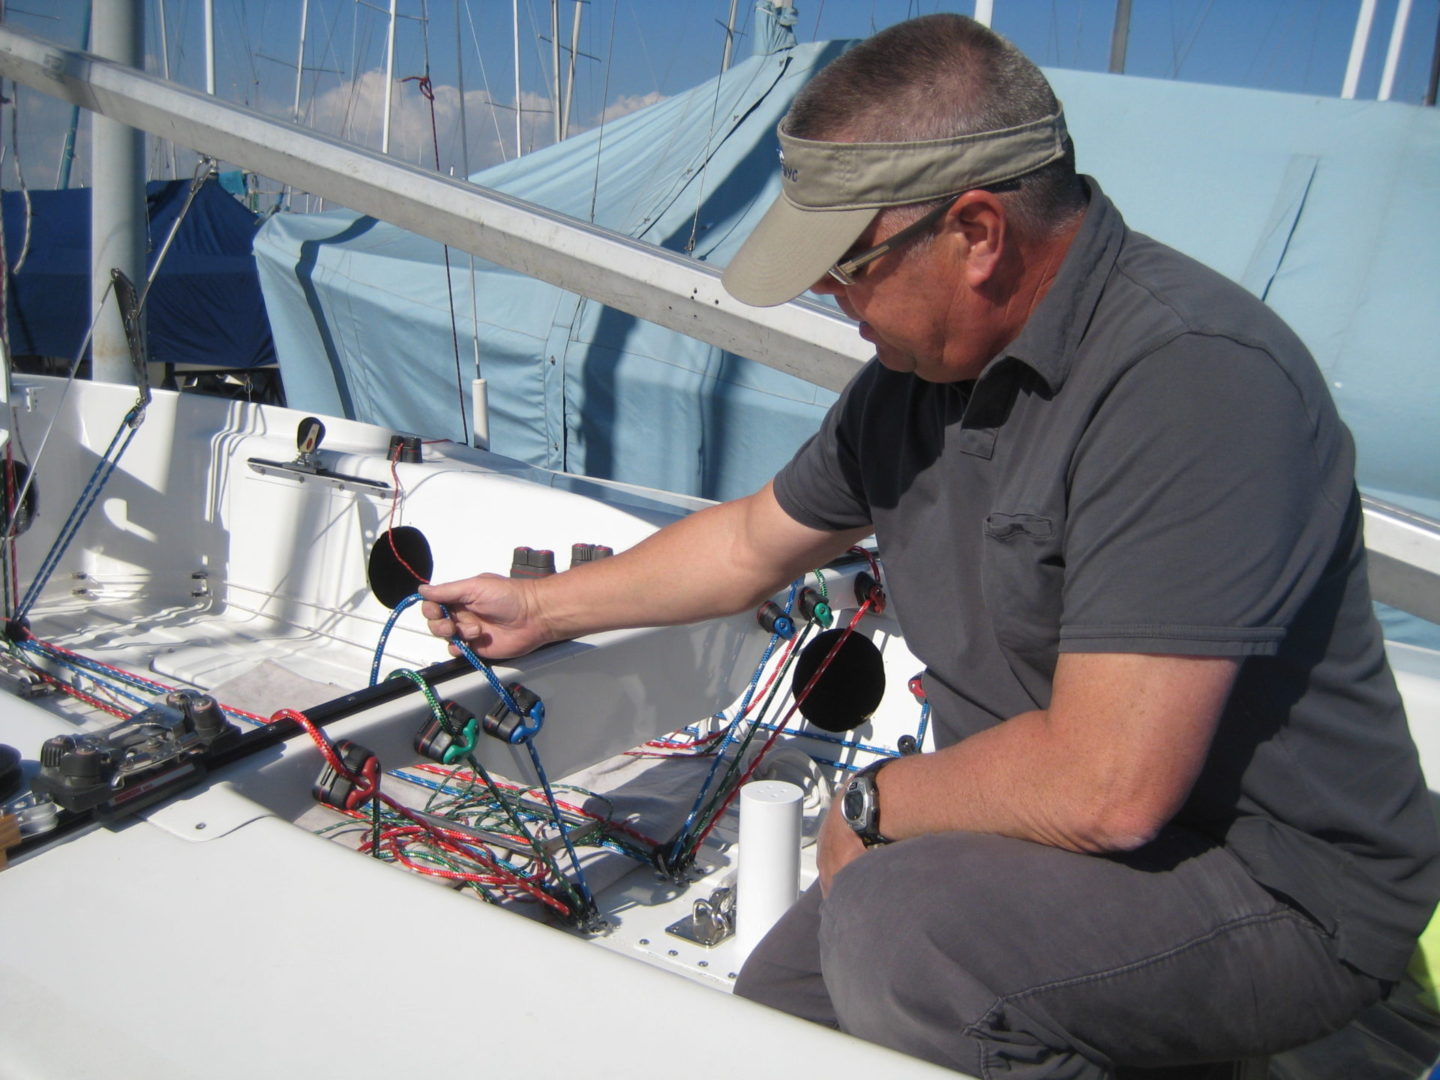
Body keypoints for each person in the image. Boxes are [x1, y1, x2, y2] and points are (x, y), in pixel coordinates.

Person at [421, 14, 1440, 1078]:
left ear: (978, 232)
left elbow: (1108, 783)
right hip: (1052, 845)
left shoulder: (1191, 377)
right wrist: (543, 609)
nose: (827, 293)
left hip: (1281, 892)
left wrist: (875, 803)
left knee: (904, 940)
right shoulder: (910, 389)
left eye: (848, 263)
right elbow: (750, 544)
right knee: (776, 1016)